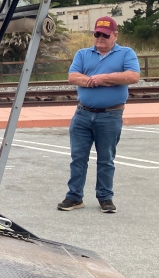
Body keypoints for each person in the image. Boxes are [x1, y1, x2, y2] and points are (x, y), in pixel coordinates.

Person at [57, 16, 140, 214]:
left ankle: (105, 197)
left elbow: (133, 76)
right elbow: (72, 76)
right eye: (97, 34)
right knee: (78, 157)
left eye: (105, 35)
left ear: (115, 35)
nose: (100, 38)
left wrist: (105, 78)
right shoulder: (83, 54)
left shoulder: (126, 53)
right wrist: (91, 81)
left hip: (110, 115)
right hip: (83, 114)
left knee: (106, 159)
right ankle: (74, 196)